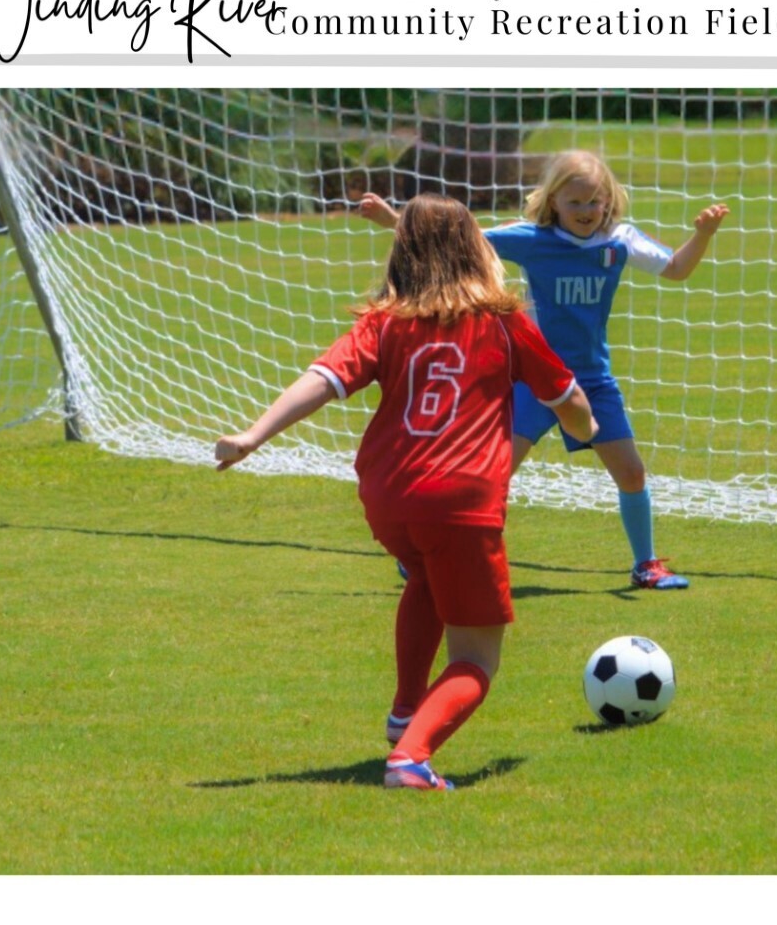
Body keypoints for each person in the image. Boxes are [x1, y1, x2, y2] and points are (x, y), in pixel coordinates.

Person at [216, 193, 596, 792]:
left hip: (389, 496)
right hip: (460, 504)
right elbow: (569, 400)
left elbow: (323, 379)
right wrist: (587, 428)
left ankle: (403, 713)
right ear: (475, 249)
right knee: (477, 658)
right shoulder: (501, 320)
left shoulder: (385, 322)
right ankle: (412, 758)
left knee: (423, 575)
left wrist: (253, 436)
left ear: (404, 254)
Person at [357, 150, 728, 590]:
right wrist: (392, 220)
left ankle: (646, 565)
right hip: (531, 379)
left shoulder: (619, 241)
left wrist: (703, 234)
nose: (587, 211)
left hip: (591, 379)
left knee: (631, 472)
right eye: (576, 203)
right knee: (489, 474)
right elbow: (451, 239)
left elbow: (677, 268)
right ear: (553, 202)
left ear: (609, 200)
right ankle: (428, 554)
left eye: (596, 201)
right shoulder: (531, 239)